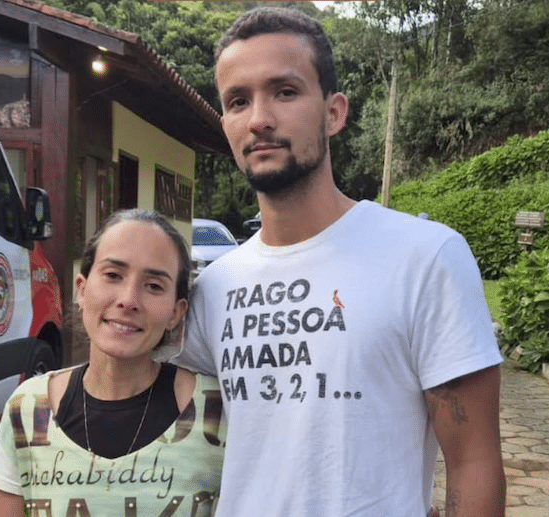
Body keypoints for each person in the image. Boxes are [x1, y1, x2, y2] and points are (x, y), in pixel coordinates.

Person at [173, 7, 506, 517]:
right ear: (227, 125)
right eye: (238, 101)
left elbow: (474, 462)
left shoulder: (424, 257)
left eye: (285, 92)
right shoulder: (214, 287)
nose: (259, 117)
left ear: (334, 111)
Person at [0, 209, 225, 517]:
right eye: (113, 275)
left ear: (176, 313)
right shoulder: (29, 409)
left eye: (154, 285)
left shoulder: (218, 413)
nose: (129, 300)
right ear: (82, 290)